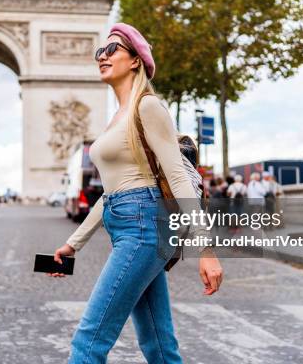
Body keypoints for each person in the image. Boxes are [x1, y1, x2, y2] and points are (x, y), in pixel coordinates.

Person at [49, 23, 223, 363]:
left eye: (112, 49)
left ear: (135, 61)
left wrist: (206, 248)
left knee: (88, 341)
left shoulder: (148, 107)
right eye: (100, 50)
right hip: (132, 226)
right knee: (158, 345)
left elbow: (177, 177)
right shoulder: (117, 118)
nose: (102, 56)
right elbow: (111, 193)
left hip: (143, 228)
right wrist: (74, 243)